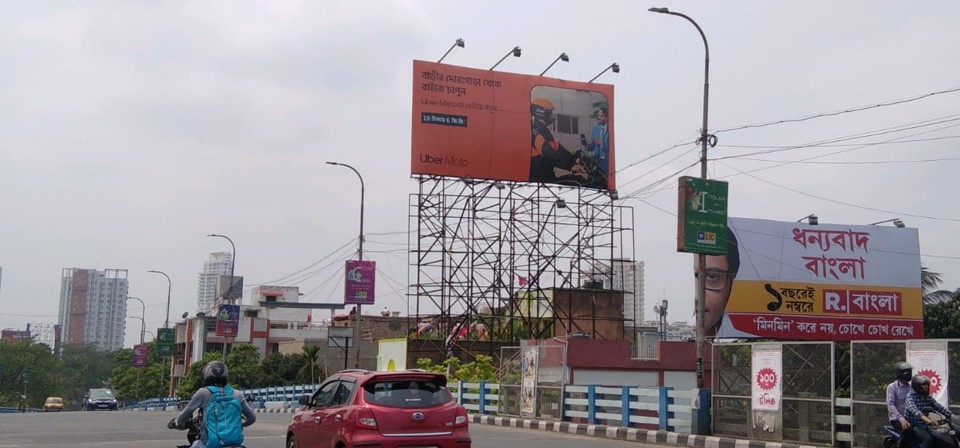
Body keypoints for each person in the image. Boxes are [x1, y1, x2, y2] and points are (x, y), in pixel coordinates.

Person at [171, 361, 256, 448]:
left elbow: (184, 416)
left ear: (206, 374)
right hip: (235, 444)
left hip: (209, 444)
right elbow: (252, 418)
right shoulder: (236, 393)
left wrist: (178, 422)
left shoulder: (203, 392)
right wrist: (240, 424)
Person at [694, 226, 741, 337]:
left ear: (732, 280)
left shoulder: (744, 326)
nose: (697, 298)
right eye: (696, 277)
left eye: (712, 277)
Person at [904, 374, 955, 448]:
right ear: (917, 386)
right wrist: (929, 421)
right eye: (923, 385)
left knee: (940, 437)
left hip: (925, 424)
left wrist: (952, 416)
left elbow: (938, 406)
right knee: (928, 439)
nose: (926, 387)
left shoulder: (927, 396)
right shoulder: (910, 397)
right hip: (913, 424)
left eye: (927, 385)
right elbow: (916, 411)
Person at [886, 362, 913, 434]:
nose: (908, 374)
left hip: (911, 418)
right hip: (896, 419)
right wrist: (901, 419)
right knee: (908, 431)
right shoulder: (892, 387)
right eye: (906, 372)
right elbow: (891, 404)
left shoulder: (912, 387)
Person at [586, 106, 610, 179]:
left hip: (606, 162)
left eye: (601, 116)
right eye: (598, 116)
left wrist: (601, 143)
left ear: (607, 118)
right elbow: (591, 147)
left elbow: (611, 148)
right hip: (596, 161)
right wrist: (585, 144)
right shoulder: (596, 129)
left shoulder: (611, 130)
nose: (599, 118)